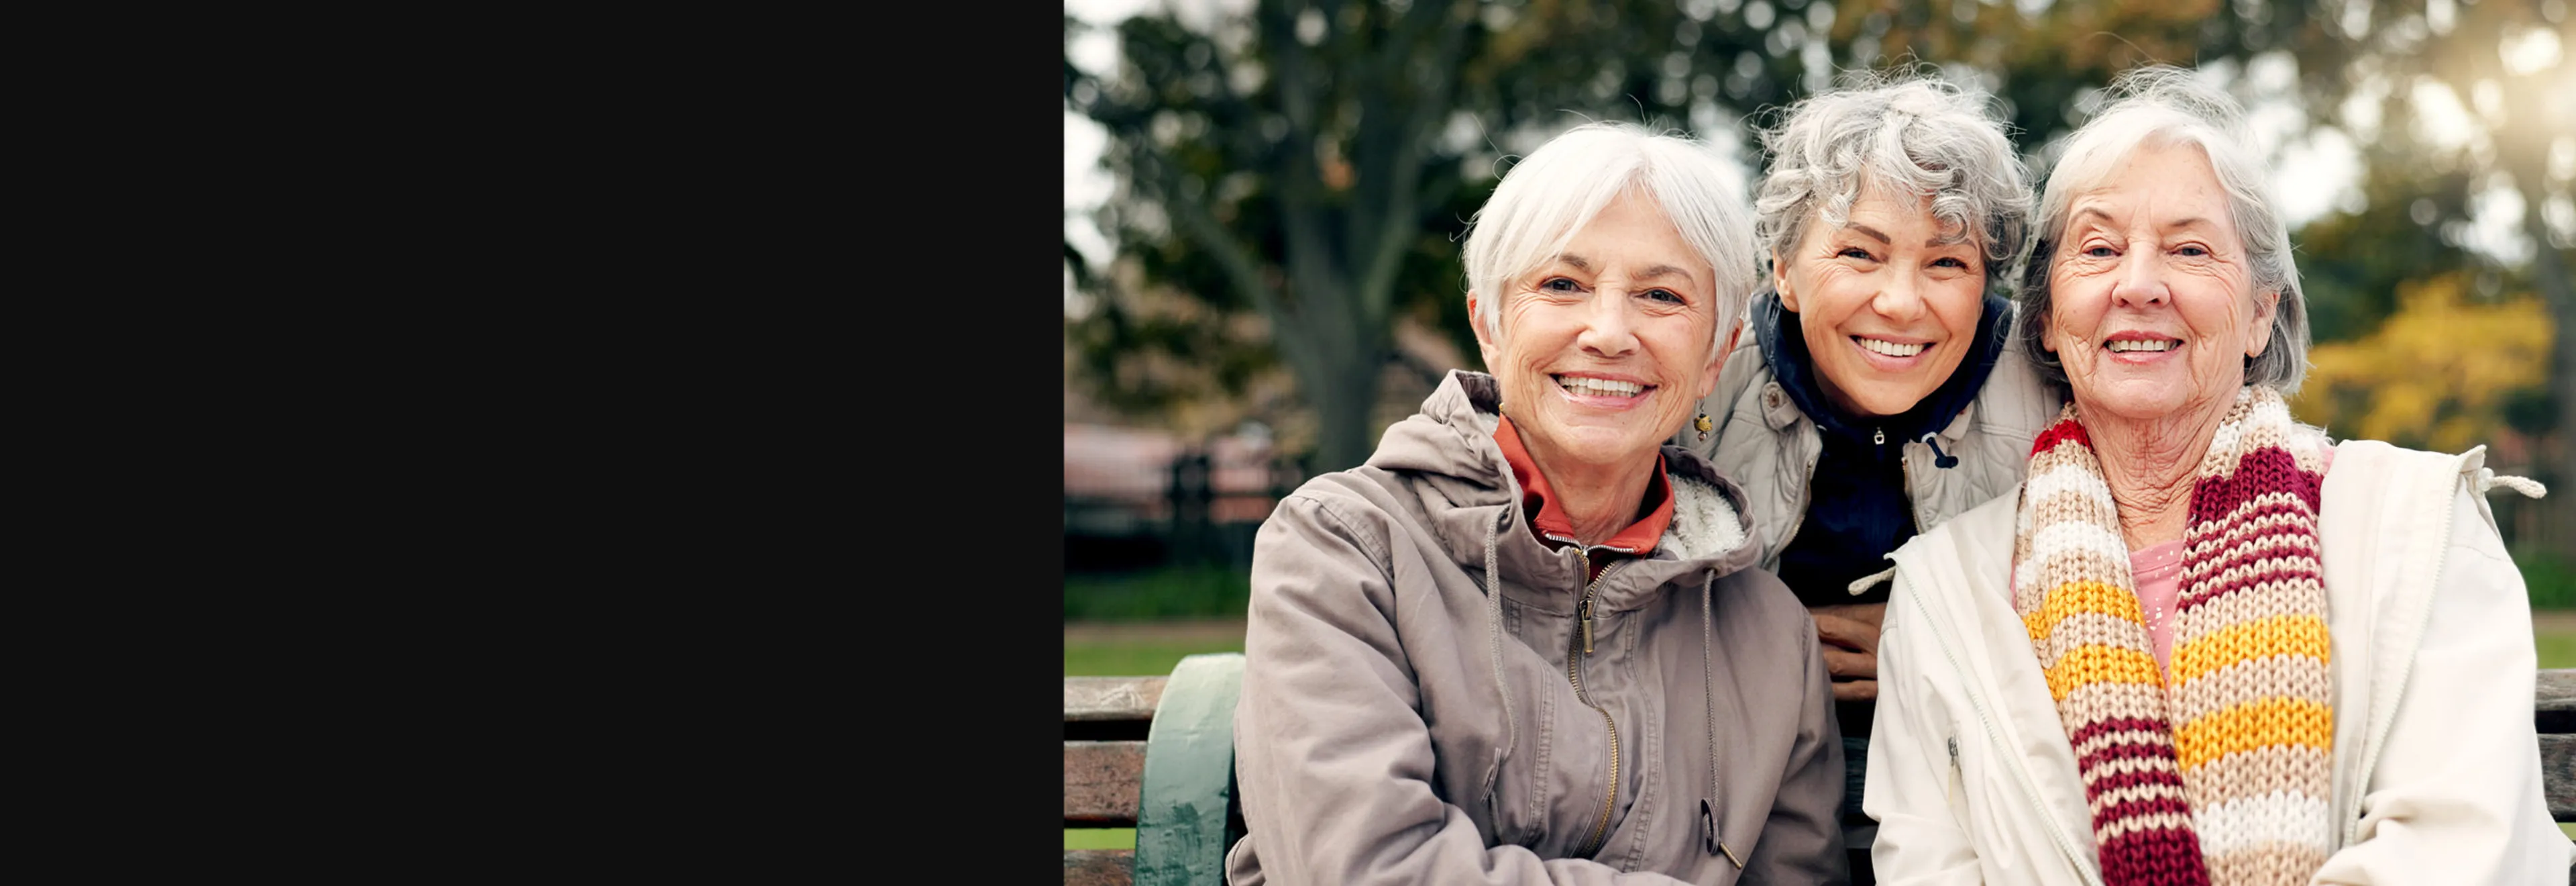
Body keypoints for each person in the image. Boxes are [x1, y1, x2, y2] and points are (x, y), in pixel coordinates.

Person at [1864, 65, 2571, 884]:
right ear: (2050, 320)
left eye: (2190, 249)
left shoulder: (2420, 524)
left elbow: (2460, 848)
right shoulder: (1947, 588)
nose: (2138, 285)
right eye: (2098, 249)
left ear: (2261, 310)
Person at [1228, 120, 1848, 886]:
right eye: (1563, 285)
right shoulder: (1344, 547)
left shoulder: (1766, 634)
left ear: (1717, 355)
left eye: (1662, 295)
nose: (1610, 332)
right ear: (1488, 324)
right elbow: (1363, 869)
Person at [1678, 72, 2063, 881]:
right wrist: (1762, 643)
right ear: (1783, 271)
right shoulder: (1695, 379)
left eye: (1947, 262)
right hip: (1728, 784)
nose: (1900, 301)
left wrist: (1932, 637)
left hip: (1976, 796)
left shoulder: (2055, 399)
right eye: (1859, 253)